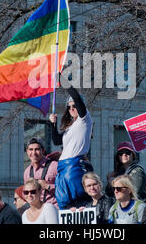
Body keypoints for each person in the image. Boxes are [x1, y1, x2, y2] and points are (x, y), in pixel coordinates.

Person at [49, 81, 93, 209]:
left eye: (74, 106)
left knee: (78, 200)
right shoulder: (70, 127)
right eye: (69, 107)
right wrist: (53, 124)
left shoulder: (84, 120)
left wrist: (62, 79)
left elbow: (77, 97)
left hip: (73, 165)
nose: (72, 109)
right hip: (62, 167)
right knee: (64, 204)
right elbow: (57, 141)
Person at [23, 136, 58, 206]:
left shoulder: (54, 166)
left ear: (43, 151)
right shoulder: (27, 172)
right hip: (37, 212)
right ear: (27, 151)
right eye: (31, 149)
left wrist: (48, 186)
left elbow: (66, 188)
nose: (34, 153)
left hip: (54, 210)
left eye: (37, 149)